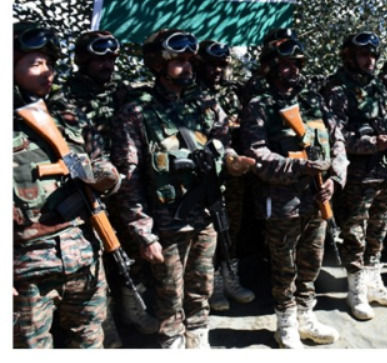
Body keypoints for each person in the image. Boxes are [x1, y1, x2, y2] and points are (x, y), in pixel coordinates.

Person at [111, 29, 252, 349]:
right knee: (168, 294)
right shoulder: (136, 113)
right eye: (179, 61)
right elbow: (129, 182)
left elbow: (223, 146)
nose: (188, 66)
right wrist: (143, 234)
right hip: (166, 221)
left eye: (191, 60)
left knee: (201, 288)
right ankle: (173, 343)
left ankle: (198, 339)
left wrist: (233, 161)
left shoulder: (205, 104)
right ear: (158, 64)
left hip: (205, 214)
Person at [13, 23, 121, 348]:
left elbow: (101, 165)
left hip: (85, 254)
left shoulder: (66, 115)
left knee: (90, 343)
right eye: (36, 62)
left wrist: (106, 177)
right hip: (27, 269)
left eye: (51, 63)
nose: (48, 72)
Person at [241, 28, 347, 348]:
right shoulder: (260, 104)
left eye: (297, 64)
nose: (294, 70)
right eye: (286, 64)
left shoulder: (314, 100)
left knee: (311, 260)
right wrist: (298, 167)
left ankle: (306, 314)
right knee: (283, 263)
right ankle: (285, 321)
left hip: (317, 196)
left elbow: (337, 141)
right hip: (282, 199)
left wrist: (335, 178)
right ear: (271, 68)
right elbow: (255, 153)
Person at [55, 30, 157, 341]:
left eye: (112, 58)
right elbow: (61, 145)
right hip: (84, 189)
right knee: (91, 262)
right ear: (82, 59)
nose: (108, 63)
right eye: (101, 57)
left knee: (130, 253)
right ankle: (100, 326)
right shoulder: (63, 97)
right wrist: (83, 178)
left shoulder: (122, 93)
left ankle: (131, 310)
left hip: (124, 187)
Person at [323, 31, 387, 320]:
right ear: (350, 57)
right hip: (356, 173)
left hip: (383, 169)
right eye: (363, 55)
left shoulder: (378, 86)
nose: (369, 60)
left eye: (373, 55)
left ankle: (373, 281)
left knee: (378, 230)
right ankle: (355, 289)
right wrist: (370, 142)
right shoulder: (337, 88)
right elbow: (335, 134)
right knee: (354, 233)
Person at [193, 39, 255, 309]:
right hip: (204, 174)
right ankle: (212, 285)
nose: (217, 70)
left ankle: (231, 278)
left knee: (233, 227)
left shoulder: (233, 93)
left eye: (222, 65)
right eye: (211, 65)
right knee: (208, 231)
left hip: (234, 172)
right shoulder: (190, 94)